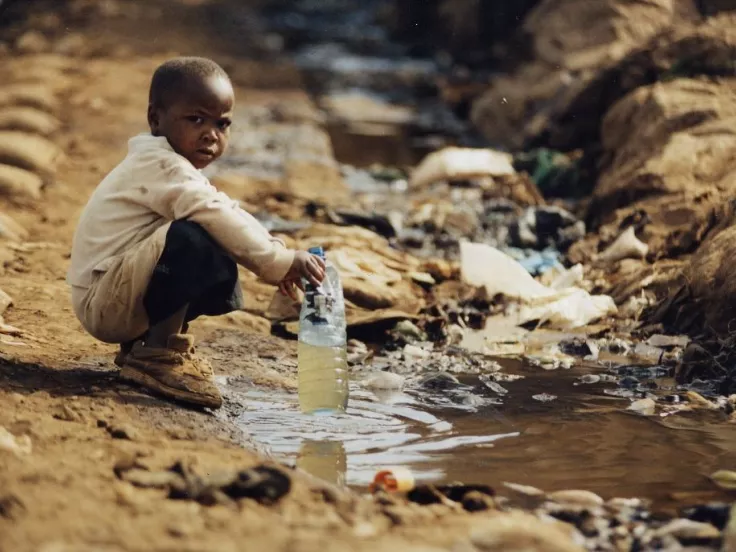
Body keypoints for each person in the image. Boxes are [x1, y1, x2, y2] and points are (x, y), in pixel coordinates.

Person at [67, 56, 325, 409]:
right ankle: (157, 354)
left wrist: (277, 252)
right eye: (196, 119)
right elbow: (214, 213)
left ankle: (146, 346)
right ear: (155, 118)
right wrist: (278, 262)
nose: (211, 134)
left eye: (222, 124)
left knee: (213, 232)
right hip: (105, 303)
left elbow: (225, 210)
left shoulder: (173, 166)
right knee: (196, 238)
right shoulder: (159, 165)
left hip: (116, 294)